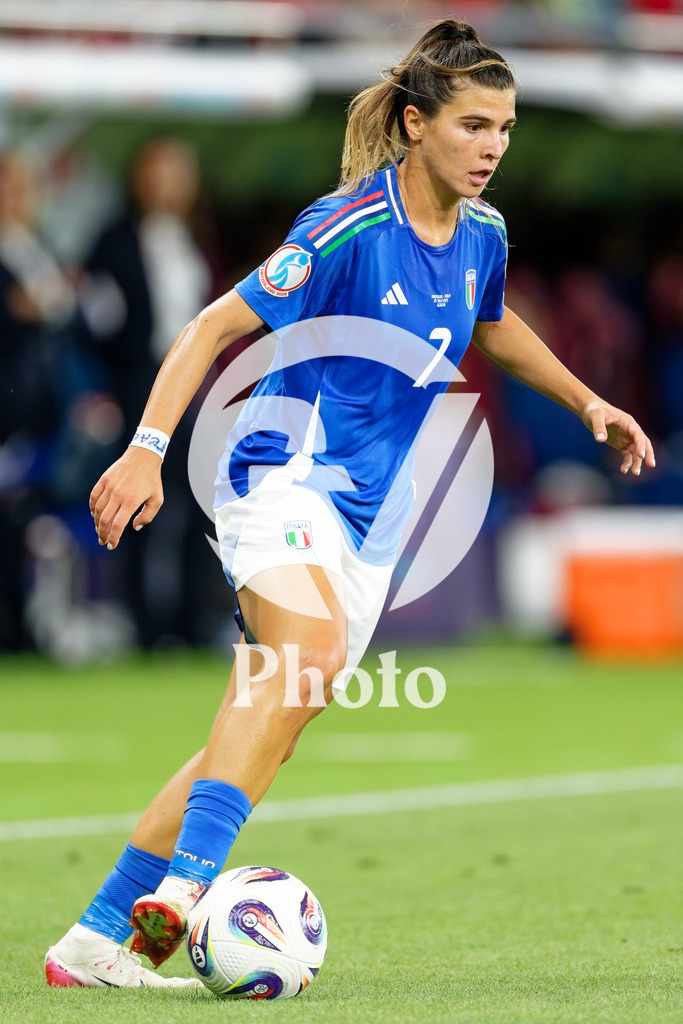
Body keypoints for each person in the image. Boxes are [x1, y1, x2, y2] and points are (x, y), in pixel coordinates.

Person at [45, 19, 655, 989]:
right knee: (300, 662)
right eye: (471, 125)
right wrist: (147, 451)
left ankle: (95, 937)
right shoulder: (342, 227)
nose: (491, 145)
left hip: (374, 517)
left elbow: (491, 327)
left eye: (503, 126)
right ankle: (192, 886)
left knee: (262, 726)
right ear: (414, 124)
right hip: (279, 473)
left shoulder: (482, 232)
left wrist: (586, 401)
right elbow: (210, 328)